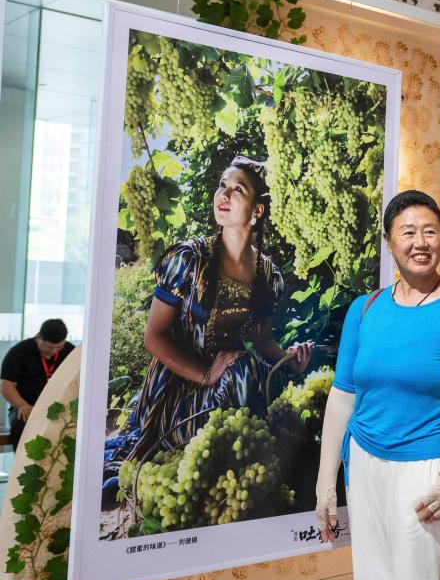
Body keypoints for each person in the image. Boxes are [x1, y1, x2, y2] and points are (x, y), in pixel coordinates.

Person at [316, 190, 440, 580]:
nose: (421, 242)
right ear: (388, 241)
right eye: (408, 232)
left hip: (428, 470)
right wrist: (326, 481)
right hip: (364, 464)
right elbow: (342, 396)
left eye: (430, 232)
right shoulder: (364, 309)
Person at [104, 158, 312, 487]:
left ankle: (239, 465)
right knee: (242, 372)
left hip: (232, 380)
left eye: (237, 189)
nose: (223, 195)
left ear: (257, 210)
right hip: (179, 392)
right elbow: (153, 337)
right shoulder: (189, 260)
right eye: (222, 185)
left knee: (248, 369)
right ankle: (223, 461)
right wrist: (205, 374)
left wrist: (290, 359)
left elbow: (262, 340)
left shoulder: (268, 275)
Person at [1, 319, 74, 449]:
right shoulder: (19, 352)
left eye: (59, 347)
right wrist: (22, 405)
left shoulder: (70, 352)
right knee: (22, 426)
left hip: (59, 407)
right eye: (49, 347)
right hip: (26, 407)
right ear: (38, 337)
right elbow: (6, 385)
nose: (54, 351)